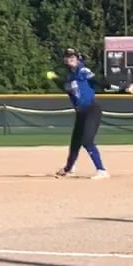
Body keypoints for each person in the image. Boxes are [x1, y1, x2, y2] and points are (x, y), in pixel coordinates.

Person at [53, 49, 108, 180]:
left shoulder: (83, 70)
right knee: (75, 143)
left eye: (73, 56)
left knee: (87, 141)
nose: (70, 58)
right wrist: (54, 78)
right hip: (81, 112)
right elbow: (64, 86)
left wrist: (117, 87)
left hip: (91, 110)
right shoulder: (70, 77)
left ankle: (102, 170)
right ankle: (68, 168)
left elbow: (97, 81)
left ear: (78, 59)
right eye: (67, 57)